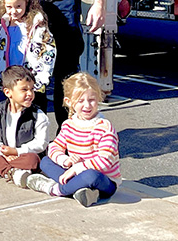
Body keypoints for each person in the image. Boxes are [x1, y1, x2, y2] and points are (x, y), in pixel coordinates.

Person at [27, 73, 120, 207]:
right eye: (80, 101)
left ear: (98, 98)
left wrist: (77, 168)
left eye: (92, 100)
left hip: (103, 180)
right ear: (69, 102)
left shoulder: (104, 127)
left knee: (91, 176)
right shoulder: (69, 125)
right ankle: (82, 191)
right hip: (76, 174)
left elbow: (105, 160)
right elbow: (54, 147)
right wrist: (66, 160)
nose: (87, 105)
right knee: (45, 162)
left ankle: (56, 189)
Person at [0, 66, 49, 188]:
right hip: (1, 152)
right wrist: (1, 150)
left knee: (33, 160)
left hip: (24, 155)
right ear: (8, 92)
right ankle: (10, 172)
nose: (29, 94)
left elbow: (41, 143)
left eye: (32, 89)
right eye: (24, 90)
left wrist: (17, 151)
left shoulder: (38, 115)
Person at [0, 0, 56, 104]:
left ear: (26, 3)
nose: (13, 11)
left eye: (18, 6)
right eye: (9, 7)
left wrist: (42, 78)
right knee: (13, 114)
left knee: (34, 115)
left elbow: (48, 50)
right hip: (11, 81)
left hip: (32, 82)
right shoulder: (3, 27)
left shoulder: (36, 25)